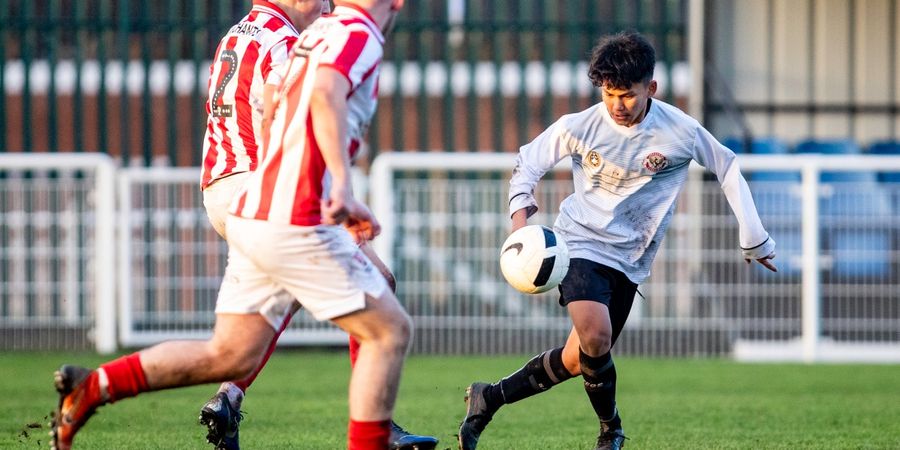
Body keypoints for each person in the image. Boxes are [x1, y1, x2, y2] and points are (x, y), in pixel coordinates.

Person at [50, 2, 418, 450]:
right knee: (385, 323)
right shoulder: (348, 32)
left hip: (244, 201)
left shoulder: (253, 34)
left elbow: (276, 105)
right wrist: (340, 186)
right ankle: (379, 432)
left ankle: (96, 386)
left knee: (229, 352)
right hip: (282, 206)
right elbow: (320, 94)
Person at [457, 31, 778, 450]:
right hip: (579, 244)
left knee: (579, 357)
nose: (617, 105)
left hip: (631, 258)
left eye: (627, 95)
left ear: (652, 88)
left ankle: (489, 397)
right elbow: (527, 163)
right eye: (608, 94)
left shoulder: (680, 130)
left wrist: (753, 238)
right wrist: (522, 224)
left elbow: (728, 167)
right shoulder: (580, 126)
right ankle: (611, 429)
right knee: (596, 336)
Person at [198, 1, 436, 449]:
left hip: (221, 187)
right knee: (376, 280)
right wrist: (333, 189)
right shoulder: (288, 43)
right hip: (265, 189)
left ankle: (227, 397)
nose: (327, 6)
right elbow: (285, 119)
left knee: (283, 295)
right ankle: (376, 428)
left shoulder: (237, 33)